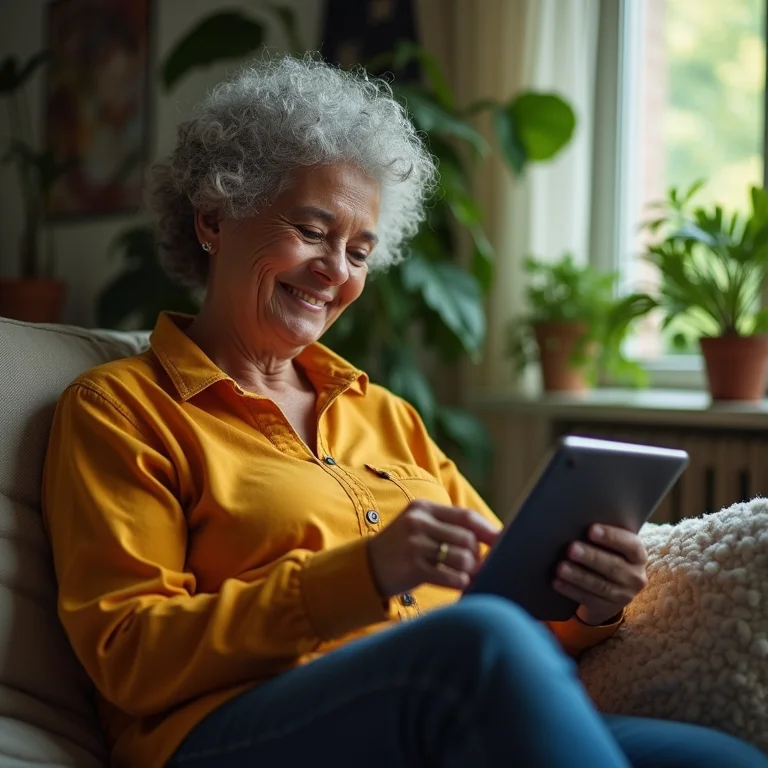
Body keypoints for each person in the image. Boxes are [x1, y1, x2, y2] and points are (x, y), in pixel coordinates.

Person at [42, 56, 767, 768]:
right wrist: (360, 576)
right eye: (313, 230)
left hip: (435, 706)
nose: (337, 271)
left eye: (359, 250)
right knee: (475, 646)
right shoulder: (121, 410)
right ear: (214, 219)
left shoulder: (386, 415)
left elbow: (505, 612)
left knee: (714, 757)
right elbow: (126, 652)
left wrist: (587, 606)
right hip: (227, 730)